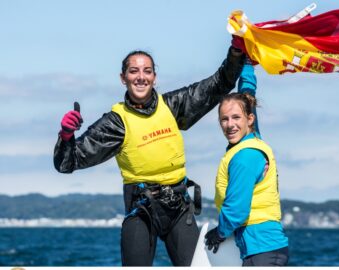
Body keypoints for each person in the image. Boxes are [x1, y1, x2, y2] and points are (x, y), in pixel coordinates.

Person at [53, 45, 245, 266]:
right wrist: (66, 135)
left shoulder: (172, 106)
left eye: (147, 71)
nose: (141, 77)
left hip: (179, 207)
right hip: (141, 210)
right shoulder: (116, 123)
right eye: (133, 71)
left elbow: (219, 84)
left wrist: (236, 52)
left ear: (155, 77)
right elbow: (67, 162)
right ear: (123, 78)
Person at [205, 62, 289, 266]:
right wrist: (246, 64)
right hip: (265, 249)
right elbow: (247, 94)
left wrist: (220, 232)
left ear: (249, 119)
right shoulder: (252, 137)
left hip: (263, 250)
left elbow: (237, 210)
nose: (230, 124)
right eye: (224, 119)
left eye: (236, 117)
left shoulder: (245, 157)